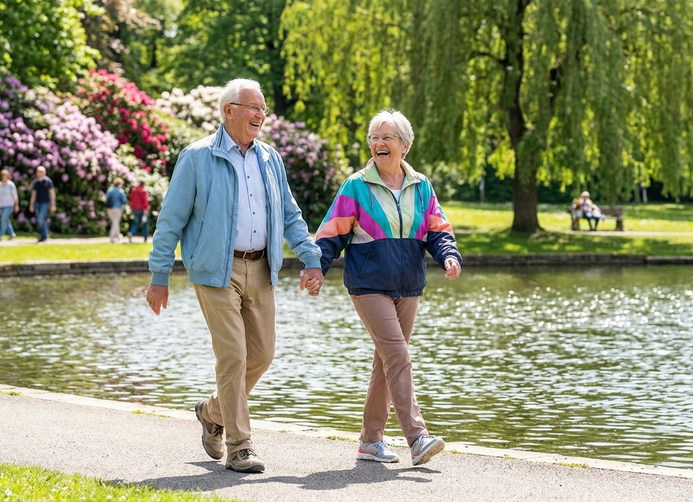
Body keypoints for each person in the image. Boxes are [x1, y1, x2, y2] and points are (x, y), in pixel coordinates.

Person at [146, 78, 324, 474]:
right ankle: (240, 447)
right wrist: (159, 276)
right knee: (234, 356)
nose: (261, 115)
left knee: (261, 355)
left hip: (261, 266)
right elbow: (170, 220)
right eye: (253, 107)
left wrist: (311, 257)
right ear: (229, 111)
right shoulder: (196, 158)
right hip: (215, 270)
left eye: (263, 109)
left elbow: (290, 216)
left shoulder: (269, 159)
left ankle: (211, 413)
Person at [314, 110, 462, 467]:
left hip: (409, 285)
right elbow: (332, 232)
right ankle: (417, 436)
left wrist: (449, 257)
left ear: (404, 146)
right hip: (369, 285)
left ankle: (369, 441)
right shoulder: (356, 186)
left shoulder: (421, 185)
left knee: (386, 361)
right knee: (398, 356)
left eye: (388, 138)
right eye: (374, 138)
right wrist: (316, 268)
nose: (379, 144)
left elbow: (437, 228)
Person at [0, 169, 18, 241]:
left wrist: (16, 205)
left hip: (9, 205)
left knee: (3, 220)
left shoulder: (11, 185)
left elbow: (15, 196)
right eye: (3, 175)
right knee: (5, 220)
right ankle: (12, 234)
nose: (4, 177)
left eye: (6, 175)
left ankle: (0, 236)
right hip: (1, 206)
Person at [28, 166, 55, 242]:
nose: (39, 173)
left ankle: (44, 235)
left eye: (41, 171)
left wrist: (53, 204)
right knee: (41, 219)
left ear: (44, 172)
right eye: (38, 171)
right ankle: (45, 233)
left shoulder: (48, 181)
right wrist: (31, 205)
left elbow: (52, 193)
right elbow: (34, 194)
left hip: (45, 203)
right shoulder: (36, 182)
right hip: (37, 203)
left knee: (40, 219)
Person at [105, 178, 128, 243]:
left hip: (109, 208)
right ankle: (112, 237)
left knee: (115, 222)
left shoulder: (109, 190)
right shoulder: (120, 191)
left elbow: (106, 199)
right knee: (115, 222)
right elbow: (124, 200)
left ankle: (118, 236)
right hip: (117, 208)